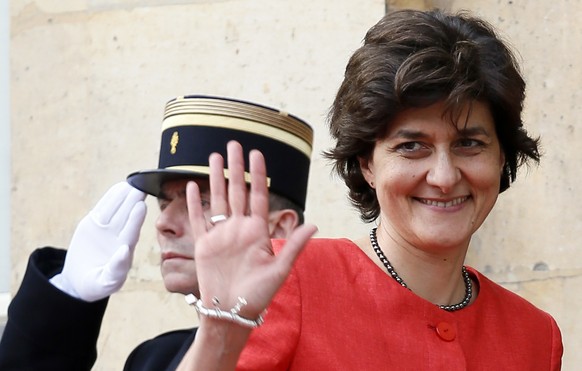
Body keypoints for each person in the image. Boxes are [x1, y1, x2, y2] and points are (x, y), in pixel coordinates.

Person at [176, 9, 564, 370]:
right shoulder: (289, 279)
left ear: (501, 158)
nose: (444, 177)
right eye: (412, 146)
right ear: (366, 163)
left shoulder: (534, 334)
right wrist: (220, 333)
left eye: (469, 144)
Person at [0, 95, 314, 370]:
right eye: (164, 205)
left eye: (202, 201)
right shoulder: (154, 358)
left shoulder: (331, 352)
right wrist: (66, 298)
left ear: (278, 226)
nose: (163, 224)